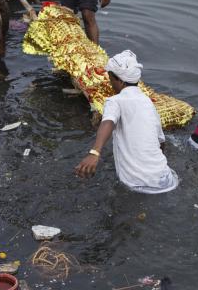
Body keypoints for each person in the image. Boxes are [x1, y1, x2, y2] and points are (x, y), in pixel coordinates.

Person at [75, 50, 179, 194]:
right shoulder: (147, 102)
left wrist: (95, 152)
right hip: (166, 180)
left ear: (120, 80)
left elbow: (108, 122)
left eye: (110, 77)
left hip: (136, 184)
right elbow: (161, 142)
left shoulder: (115, 101)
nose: (109, 82)